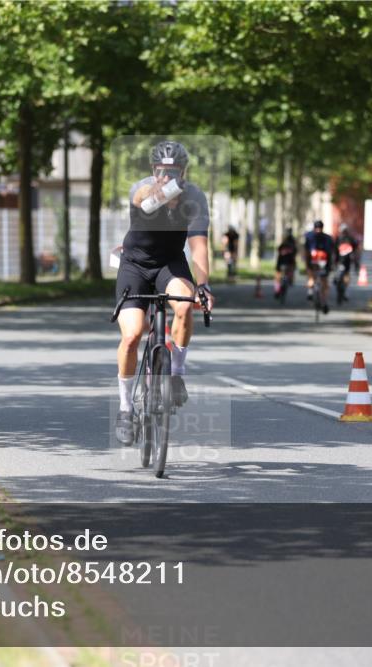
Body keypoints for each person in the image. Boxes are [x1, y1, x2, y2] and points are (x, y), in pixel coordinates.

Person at [114, 140, 214, 444]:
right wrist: (155, 193)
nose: (167, 175)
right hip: (135, 265)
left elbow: (198, 244)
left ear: (183, 171)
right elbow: (140, 198)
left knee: (184, 306)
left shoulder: (194, 196)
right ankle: (125, 408)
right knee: (132, 335)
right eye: (161, 170)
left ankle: (177, 374)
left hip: (170, 264)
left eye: (173, 171)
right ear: (153, 170)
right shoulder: (143, 188)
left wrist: (204, 284)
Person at [302, 220, 335, 313]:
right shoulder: (327, 238)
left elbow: (306, 251)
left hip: (318, 263)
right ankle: (321, 300)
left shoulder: (309, 236)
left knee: (315, 279)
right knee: (321, 282)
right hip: (319, 263)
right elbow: (331, 253)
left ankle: (312, 293)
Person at [333, 223, 360, 303]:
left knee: (346, 276)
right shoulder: (338, 239)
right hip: (339, 261)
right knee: (338, 277)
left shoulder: (351, 239)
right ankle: (340, 289)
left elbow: (356, 250)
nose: (344, 232)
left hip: (347, 261)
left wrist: (355, 261)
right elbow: (334, 251)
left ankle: (346, 292)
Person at [273, 231, 297, 298]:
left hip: (282, 262)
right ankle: (290, 281)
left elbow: (278, 250)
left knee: (277, 276)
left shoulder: (282, 245)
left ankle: (277, 290)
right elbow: (294, 254)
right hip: (288, 262)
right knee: (290, 271)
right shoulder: (293, 246)